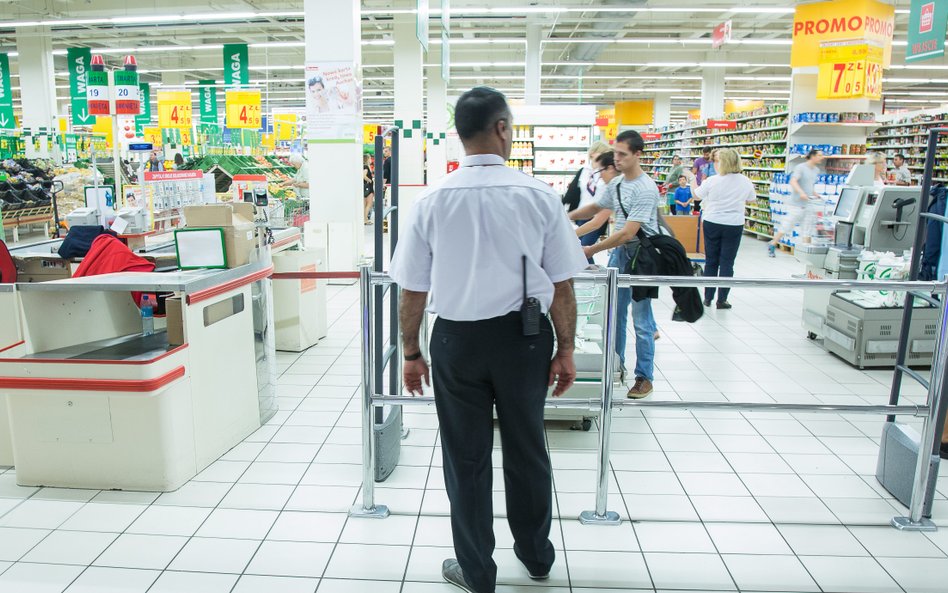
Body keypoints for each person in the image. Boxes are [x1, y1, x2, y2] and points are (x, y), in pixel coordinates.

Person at [389, 87, 587, 593]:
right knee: (527, 447)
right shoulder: (539, 196)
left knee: (466, 456)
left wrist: (412, 352)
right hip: (523, 339)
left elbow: (413, 289)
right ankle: (537, 557)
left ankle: (477, 571)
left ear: (459, 135)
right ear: (502, 128)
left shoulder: (430, 200)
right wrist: (565, 348)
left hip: (455, 341)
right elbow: (562, 285)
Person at [568, 129, 661, 399]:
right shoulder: (619, 185)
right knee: (615, 316)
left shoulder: (646, 188)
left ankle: (645, 377)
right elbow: (597, 210)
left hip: (642, 258)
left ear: (637, 155)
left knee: (642, 321)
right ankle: (615, 367)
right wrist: (564, 216)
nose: (616, 159)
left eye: (622, 154)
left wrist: (591, 249)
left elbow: (628, 232)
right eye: (615, 153)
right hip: (619, 256)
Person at [687, 148, 755, 309]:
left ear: (723, 162)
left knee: (711, 260)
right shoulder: (745, 181)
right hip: (734, 224)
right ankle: (722, 300)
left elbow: (697, 196)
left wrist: (692, 180)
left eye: (717, 161)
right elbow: (751, 199)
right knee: (727, 262)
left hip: (712, 221)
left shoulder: (712, 180)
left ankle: (707, 297)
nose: (714, 164)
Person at [768, 148, 825, 257]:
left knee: (808, 227)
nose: (821, 157)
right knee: (787, 225)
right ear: (812, 156)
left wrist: (815, 193)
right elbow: (793, 181)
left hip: (808, 203)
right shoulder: (800, 168)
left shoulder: (816, 170)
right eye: (819, 155)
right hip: (796, 204)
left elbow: (809, 185)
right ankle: (773, 243)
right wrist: (801, 193)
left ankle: (806, 253)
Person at [574, 150, 619, 262]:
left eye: (600, 171)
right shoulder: (614, 188)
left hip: (636, 250)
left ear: (610, 169)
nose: (599, 176)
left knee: (583, 252)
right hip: (622, 249)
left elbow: (596, 223)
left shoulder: (619, 188)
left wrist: (593, 249)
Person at [363, 153, 375, 225]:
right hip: (368, 188)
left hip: (365, 187)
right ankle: (365, 219)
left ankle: (365, 219)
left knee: (365, 204)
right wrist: (370, 180)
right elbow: (363, 176)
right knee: (369, 204)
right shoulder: (366, 167)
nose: (371, 159)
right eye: (370, 158)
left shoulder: (363, 166)